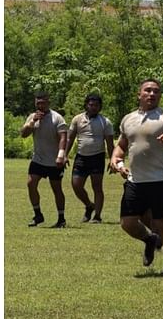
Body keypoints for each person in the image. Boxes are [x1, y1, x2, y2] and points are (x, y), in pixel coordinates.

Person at [110, 79, 163, 277]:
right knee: (127, 223)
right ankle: (149, 239)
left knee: (162, 224)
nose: (152, 94)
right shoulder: (128, 119)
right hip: (135, 181)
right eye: (147, 90)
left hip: (159, 181)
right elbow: (122, 144)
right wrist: (115, 159)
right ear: (139, 94)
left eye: (156, 91)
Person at [20, 90, 68, 228]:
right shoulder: (32, 117)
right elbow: (23, 134)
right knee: (31, 184)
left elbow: (63, 137)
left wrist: (61, 155)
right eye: (37, 102)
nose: (40, 105)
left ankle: (61, 218)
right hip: (38, 159)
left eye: (42, 102)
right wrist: (32, 122)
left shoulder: (57, 118)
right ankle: (38, 215)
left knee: (57, 189)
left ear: (48, 102)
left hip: (54, 161)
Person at [64, 93, 114, 223]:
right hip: (81, 157)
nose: (93, 108)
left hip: (97, 157)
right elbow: (70, 138)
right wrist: (64, 154)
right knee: (76, 185)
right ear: (86, 105)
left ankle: (97, 216)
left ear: (100, 107)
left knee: (97, 187)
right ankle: (89, 205)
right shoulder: (77, 119)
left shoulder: (105, 122)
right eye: (91, 105)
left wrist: (112, 160)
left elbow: (110, 143)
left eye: (96, 105)